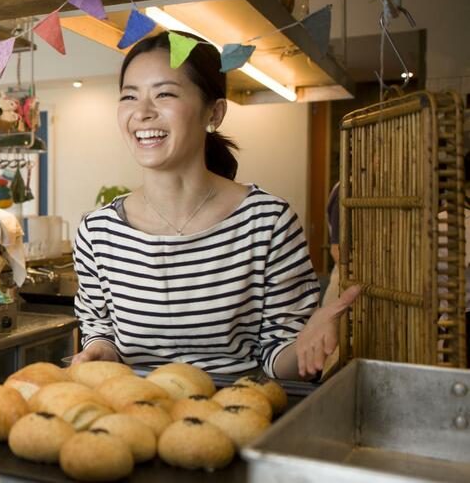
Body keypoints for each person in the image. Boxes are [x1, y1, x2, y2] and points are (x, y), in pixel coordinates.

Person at [71, 33, 359, 380]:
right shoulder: (97, 232)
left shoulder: (267, 222)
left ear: (215, 112)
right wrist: (98, 351)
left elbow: (279, 354)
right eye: (129, 96)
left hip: (237, 415)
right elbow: (100, 331)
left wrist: (306, 346)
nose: (142, 112)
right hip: (135, 415)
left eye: (164, 93)